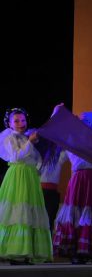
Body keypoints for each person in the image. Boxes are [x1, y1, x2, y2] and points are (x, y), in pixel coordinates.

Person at [0, 108, 52, 264]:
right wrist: (30, 142)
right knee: (19, 212)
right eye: (16, 121)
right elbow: (16, 156)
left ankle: (29, 251)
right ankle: (16, 251)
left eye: (23, 120)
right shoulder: (10, 138)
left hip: (30, 177)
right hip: (18, 176)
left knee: (30, 212)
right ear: (9, 123)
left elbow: (37, 159)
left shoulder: (27, 137)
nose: (21, 123)